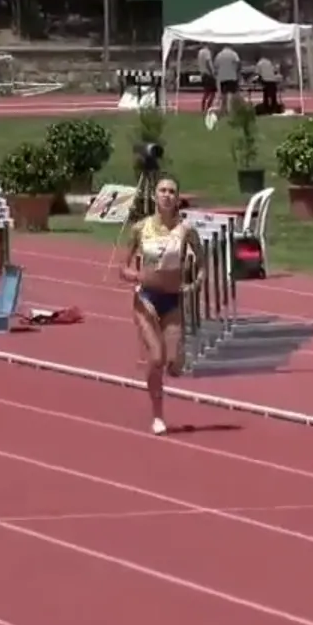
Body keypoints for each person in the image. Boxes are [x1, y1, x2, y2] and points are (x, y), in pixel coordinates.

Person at [117, 175, 202, 434]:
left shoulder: (186, 230)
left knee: (174, 364)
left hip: (173, 298)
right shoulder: (140, 229)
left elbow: (201, 262)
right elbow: (123, 267)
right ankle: (158, 415)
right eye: (162, 190)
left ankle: (178, 355)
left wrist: (195, 283)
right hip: (147, 298)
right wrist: (135, 275)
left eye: (171, 191)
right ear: (155, 196)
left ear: (177, 198)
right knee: (156, 357)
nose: (166, 195)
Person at [214, 44, 242, 114]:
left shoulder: (219, 55)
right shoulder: (233, 54)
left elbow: (216, 66)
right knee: (231, 93)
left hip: (222, 77)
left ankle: (223, 109)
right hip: (232, 76)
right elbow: (238, 63)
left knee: (224, 94)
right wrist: (237, 71)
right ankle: (230, 110)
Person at [197, 46, 217, 113]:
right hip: (208, 74)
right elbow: (208, 62)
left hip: (203, 73)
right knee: (213, 92)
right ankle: (208, 107)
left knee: (206, 92)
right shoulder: (207, 52)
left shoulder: (200, 52)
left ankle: (203, 108)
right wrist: (213, 71)